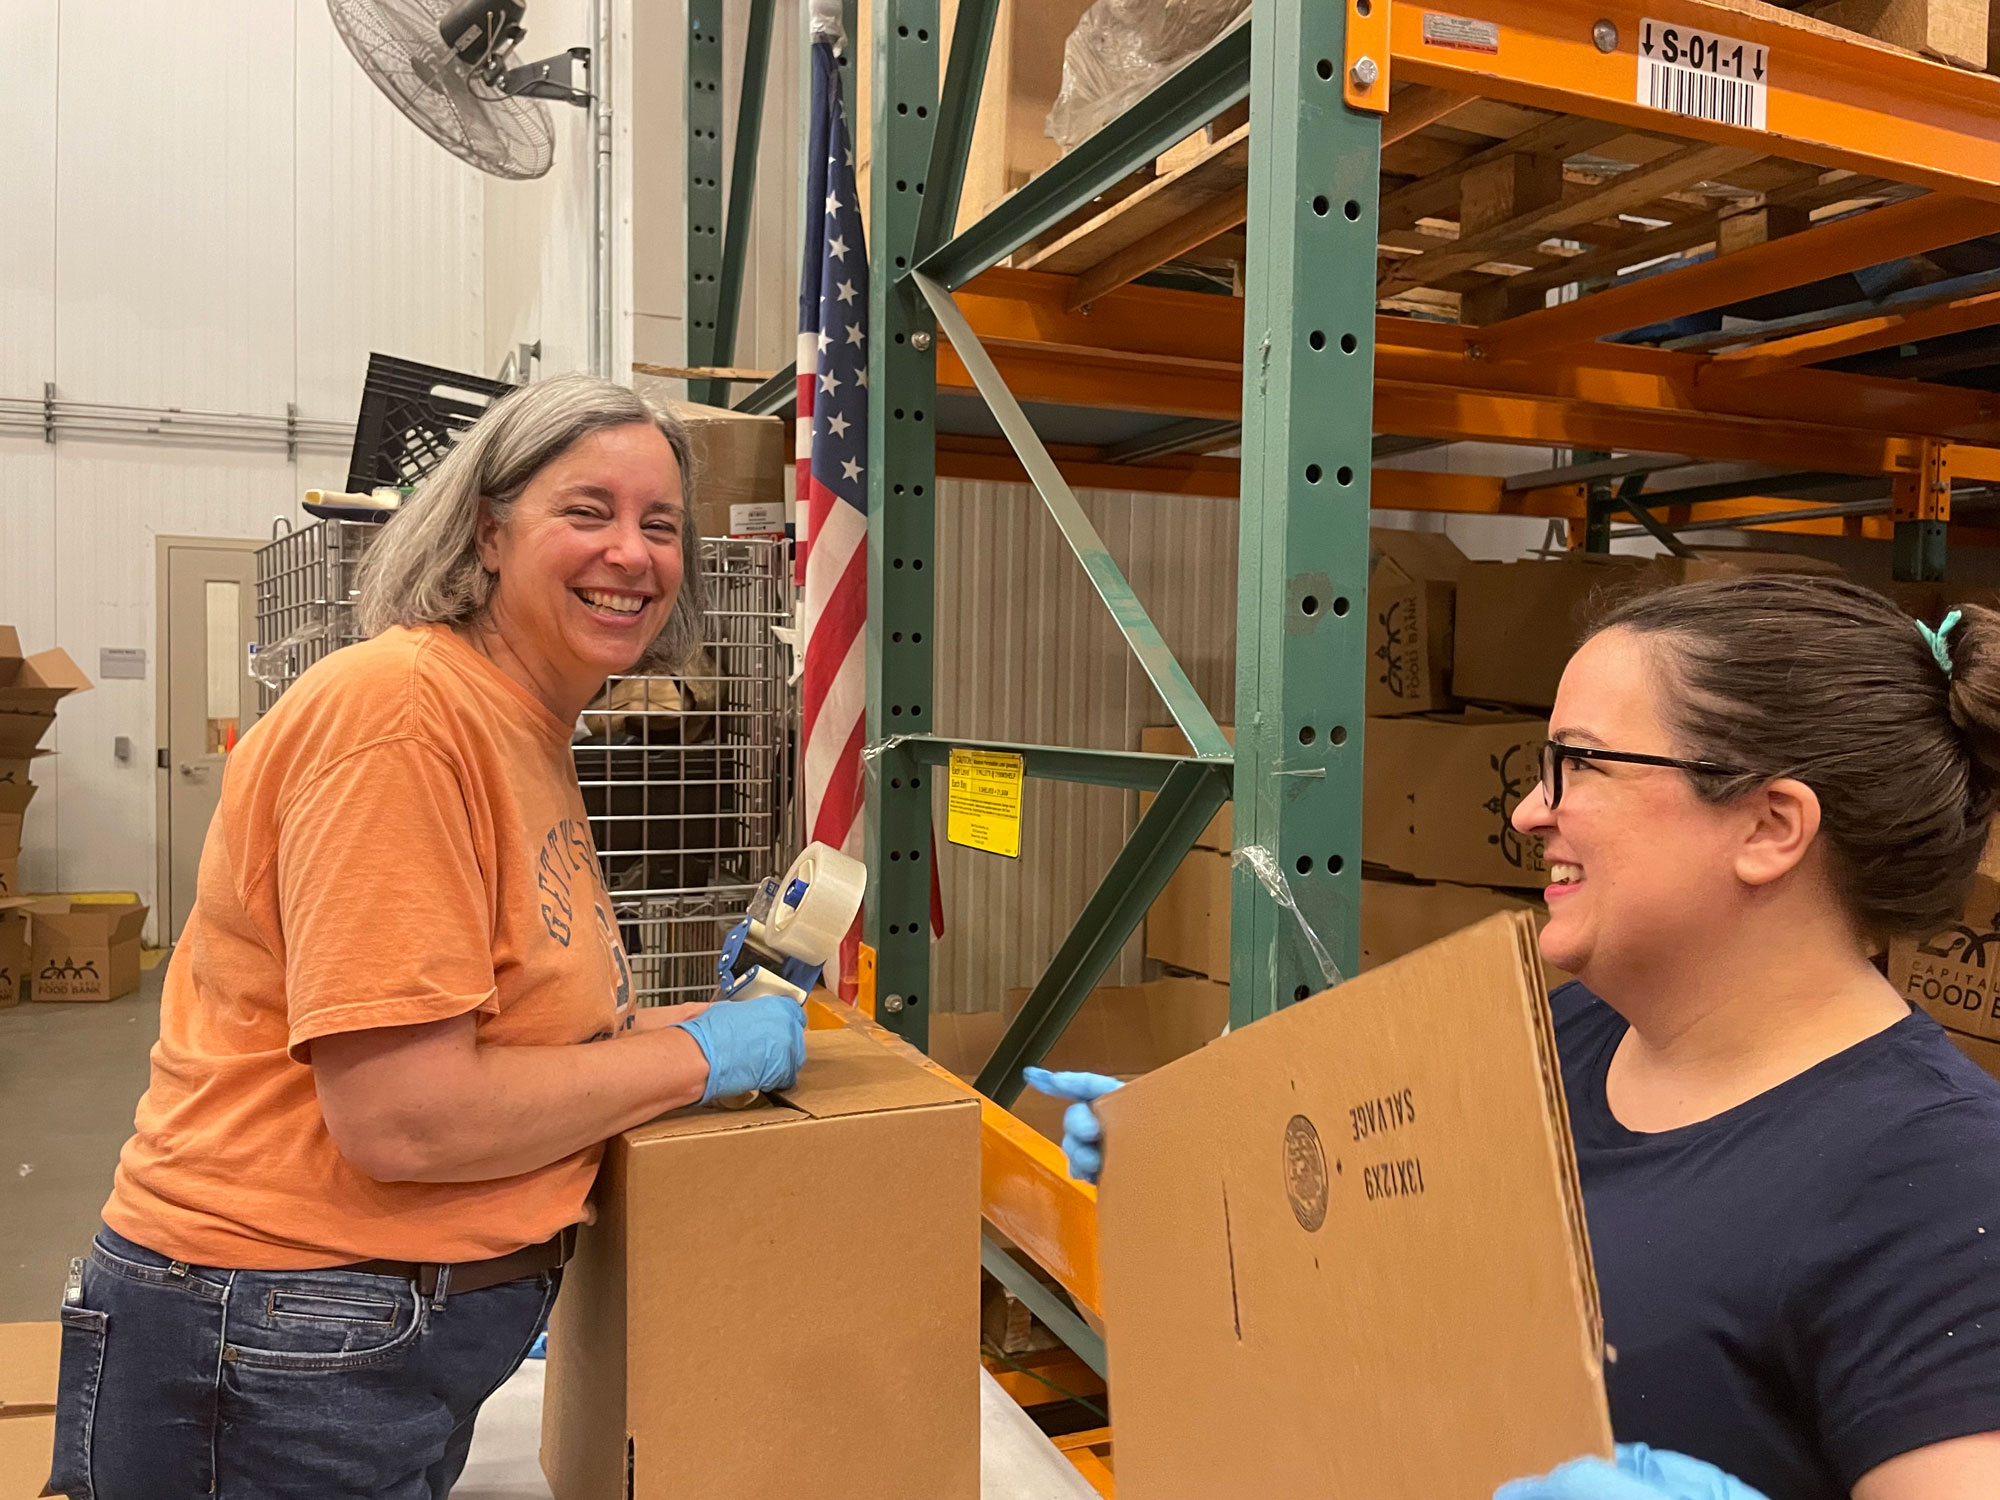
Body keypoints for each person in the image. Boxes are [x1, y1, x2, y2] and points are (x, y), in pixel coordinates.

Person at [1032, 575, 2000, 1500]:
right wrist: (1194, 1184)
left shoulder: (1939, 1184)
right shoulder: (1552, 1038)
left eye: (1577, 763)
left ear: (1767, 825)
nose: (1528, 809)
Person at [47, 374, 807, 1500]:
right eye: (587, 511)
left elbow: (496, 1022)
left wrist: (693, 1019)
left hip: (364, 1330)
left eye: (660, 525)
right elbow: (404, 1119)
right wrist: (698, 1060)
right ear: (488, 530)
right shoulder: (402, 719)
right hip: (279, 1336)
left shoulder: (522, 725)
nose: (633, 554)